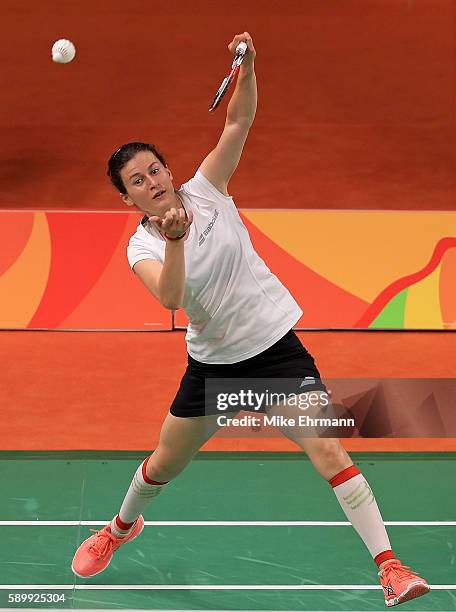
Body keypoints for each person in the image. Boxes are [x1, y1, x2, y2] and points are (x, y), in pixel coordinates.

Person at [71, 32, 429, 607]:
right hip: (214, 371)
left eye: (155, 170)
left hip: (276, 352)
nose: (153, 182)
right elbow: (170, 298)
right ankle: (119, 530)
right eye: (137, 182)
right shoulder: (142, 248)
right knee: (164, 464)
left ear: (168, 170)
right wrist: (177, 240)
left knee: (331, 451)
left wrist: (249, 69)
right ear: (128, 200)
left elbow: (237, 124)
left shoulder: (208, 189)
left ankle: (390, 567)